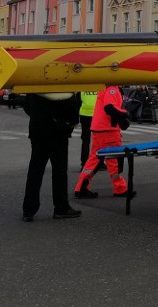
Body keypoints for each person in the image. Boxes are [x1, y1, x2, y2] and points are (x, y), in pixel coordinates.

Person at [22, 92, 82, 221]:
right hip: (58, 134)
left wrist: (39, 118)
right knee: (59, 171)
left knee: (35, 171)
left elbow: (26, 106)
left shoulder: (35, 86)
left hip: (37, 132)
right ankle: (61, 207)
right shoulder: (63, 89)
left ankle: (28, 210)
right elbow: (73, 112)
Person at [74, 86, 131, 198]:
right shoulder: (112, 89)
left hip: (98, 128)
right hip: (108, 130)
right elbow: (109, 108)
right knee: (114, 160)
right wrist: (125, 114)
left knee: (95, 159)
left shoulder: (104, 88)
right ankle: (120, 188)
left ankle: (81, 187)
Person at [78, 90, 104, 171]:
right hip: (97, 114)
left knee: (85, 140)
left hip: (84, 114)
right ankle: (99, 162)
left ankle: (84, 163)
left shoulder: (83, 85)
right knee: (99, 140)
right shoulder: (98, 85)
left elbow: (78, 100)